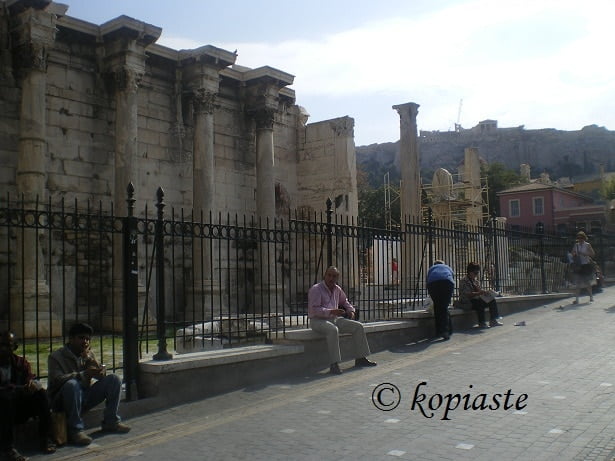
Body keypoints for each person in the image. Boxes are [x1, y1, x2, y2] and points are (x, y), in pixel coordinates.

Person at [47, 323, 130, 446]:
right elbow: (57, 380)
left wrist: (93, 362)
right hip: (63, 400)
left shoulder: (88, 354)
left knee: (114, 379)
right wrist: (82, 374)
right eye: (81, 338)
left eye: (87, 339)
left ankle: (111, 421)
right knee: (72, 384)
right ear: (71, 339)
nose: (85, 342)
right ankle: (75, 430)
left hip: (84, 397)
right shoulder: (56, 357)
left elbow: (100, 376)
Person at [308, 266, 376, 375]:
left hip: (334, 319)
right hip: (318, 321)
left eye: (334, 276)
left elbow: (345, 301)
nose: (331, 278)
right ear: (324, 276)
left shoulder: (337, 289)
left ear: (337, 278)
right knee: (333, 330)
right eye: (329, 275)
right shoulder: (316, 289)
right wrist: (331, 311)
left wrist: (351, 310)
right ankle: (334, 364)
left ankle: (361, 358)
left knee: (358, 326)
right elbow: (314, 309)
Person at [0, 331, 55, 461]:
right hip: (2, 409)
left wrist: (30, 384)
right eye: (1, 345)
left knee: (41, 394)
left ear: (14, 347)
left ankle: (45, 438)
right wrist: (19, 389)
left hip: (17, 408)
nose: (3, 349)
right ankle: (8, 449)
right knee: (5, 398)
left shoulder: (20, 363)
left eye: (8, 345)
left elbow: (29, 377)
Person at [458, 262, 503, 328]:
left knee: (492, 300)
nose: (476, 275)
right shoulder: (464, 281)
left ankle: (493, 320)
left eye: (477, 273)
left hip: (476, 299)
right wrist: (480, 293)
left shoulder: (475, 281)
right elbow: (467, 294)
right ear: (470, 272)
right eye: (475, 273)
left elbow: (479, 292)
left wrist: (486, 293)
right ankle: (481, 323)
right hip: (467, 301)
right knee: (479, 303)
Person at [426, 260, 455, 341]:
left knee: (437, 305)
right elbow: (452, 277)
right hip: (447, 282)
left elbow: (427, 279)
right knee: (444, 306)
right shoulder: (447, 267)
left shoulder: (431, 268)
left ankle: (439, 331)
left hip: (432, 284)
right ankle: (446, 331)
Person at [570, 231, 595, 304]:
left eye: (581, 238)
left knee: (587, 282)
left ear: (584, 238)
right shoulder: (576, 245)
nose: (580, 239)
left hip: (586, 265)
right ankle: (577, 299)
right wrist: (574, 254)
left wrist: (584, 254)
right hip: (578, 265)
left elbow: (593, 254)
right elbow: (572, 253)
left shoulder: (587, 245)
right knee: (578, 282)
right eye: (578, 238)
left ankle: (591, 296)